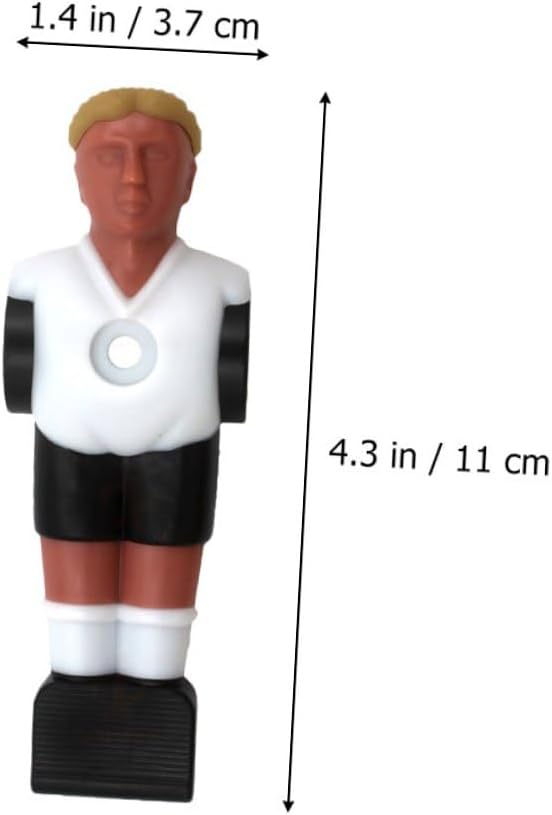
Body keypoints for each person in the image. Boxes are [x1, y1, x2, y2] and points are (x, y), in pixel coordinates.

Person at [3, 87, 250, 800]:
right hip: (68, 446)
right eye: (111, 157)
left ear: (190, 178)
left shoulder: (223, 284)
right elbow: (18, 382)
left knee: (161, 594)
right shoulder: (39, 279)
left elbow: (232, 384)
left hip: (180, 448)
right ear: (78, 176)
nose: (134, 179)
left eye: (157, 158)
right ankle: (76, 684)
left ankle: (155, 686)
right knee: (75, 598)